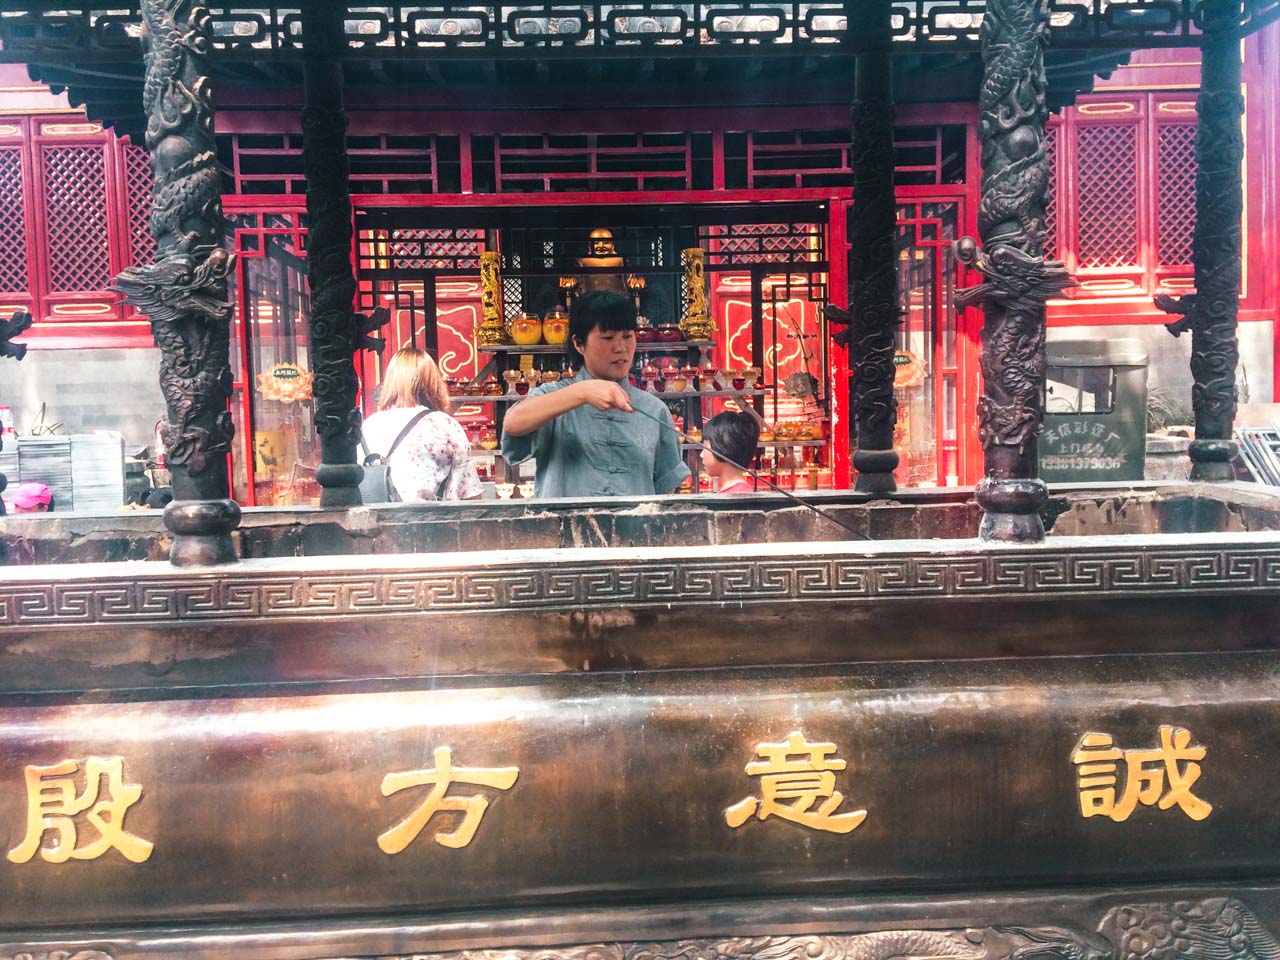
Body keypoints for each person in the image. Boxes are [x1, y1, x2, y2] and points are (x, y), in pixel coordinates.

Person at [501, 290, 690, 499]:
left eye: (628, 336)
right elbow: (513, 423)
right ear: (579, 344)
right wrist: (582, 392)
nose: (620, 348)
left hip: (633, 531)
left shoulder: (653, 409)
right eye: (607, 338)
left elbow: (666, 489)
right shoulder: (554, 398)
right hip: (565, 530)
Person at [362, 348, 482, 502]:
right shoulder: (444, 425)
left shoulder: (370, 426)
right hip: (430, 522)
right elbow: (469, 493)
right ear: (433, 384)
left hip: (379, 522)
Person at [701, 411, 760, 494]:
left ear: (723, 447)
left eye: (705, 447)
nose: (701, 455)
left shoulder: (736, 496)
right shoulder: (738, 491)